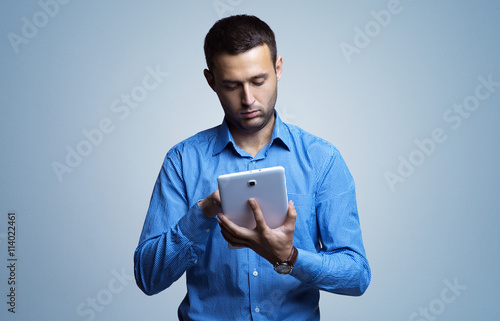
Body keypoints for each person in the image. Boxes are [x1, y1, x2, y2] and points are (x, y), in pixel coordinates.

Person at [134, 14, 371, 320]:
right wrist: (203, 213)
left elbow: (357, 276)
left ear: (278, 68)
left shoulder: (322, 160)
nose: (248, 99)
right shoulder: (182, 161)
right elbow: (148, 278)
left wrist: (289, 257)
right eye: (232, 85)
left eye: (258, 81)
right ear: (211, 81)